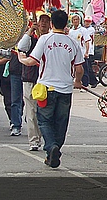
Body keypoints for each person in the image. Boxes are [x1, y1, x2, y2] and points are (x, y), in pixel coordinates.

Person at [18, 9, 85, 169]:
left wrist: (21, 58)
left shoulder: (45, 39)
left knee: (44, 121)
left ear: (52, 23)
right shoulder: (73, 42)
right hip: (66, 90)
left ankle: (51, 147)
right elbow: (80, 68)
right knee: (61, 123)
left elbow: (32, 60)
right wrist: (78, 81)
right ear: (66, 23)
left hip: (46, 89)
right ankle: (54, 150)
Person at [16, 11, 50, 151]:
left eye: (46, 21)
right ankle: (34, 141)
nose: (43, 23)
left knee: (45, 111)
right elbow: (21, 48)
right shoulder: (31, 38)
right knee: (31, 112)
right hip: (30, 79)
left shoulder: (50, 39)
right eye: (41, 20)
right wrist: (30, 30)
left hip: (46, 80)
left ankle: (44, 137)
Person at [81, 15, 98, 88]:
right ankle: (91, 81)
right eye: (86, 22)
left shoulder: (91, 29)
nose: (87, 23)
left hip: (89, 50)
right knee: (87, 67)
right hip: (84, 49)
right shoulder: (83, 29)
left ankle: (93, 81)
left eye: (89, 22)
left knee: (88, 67)